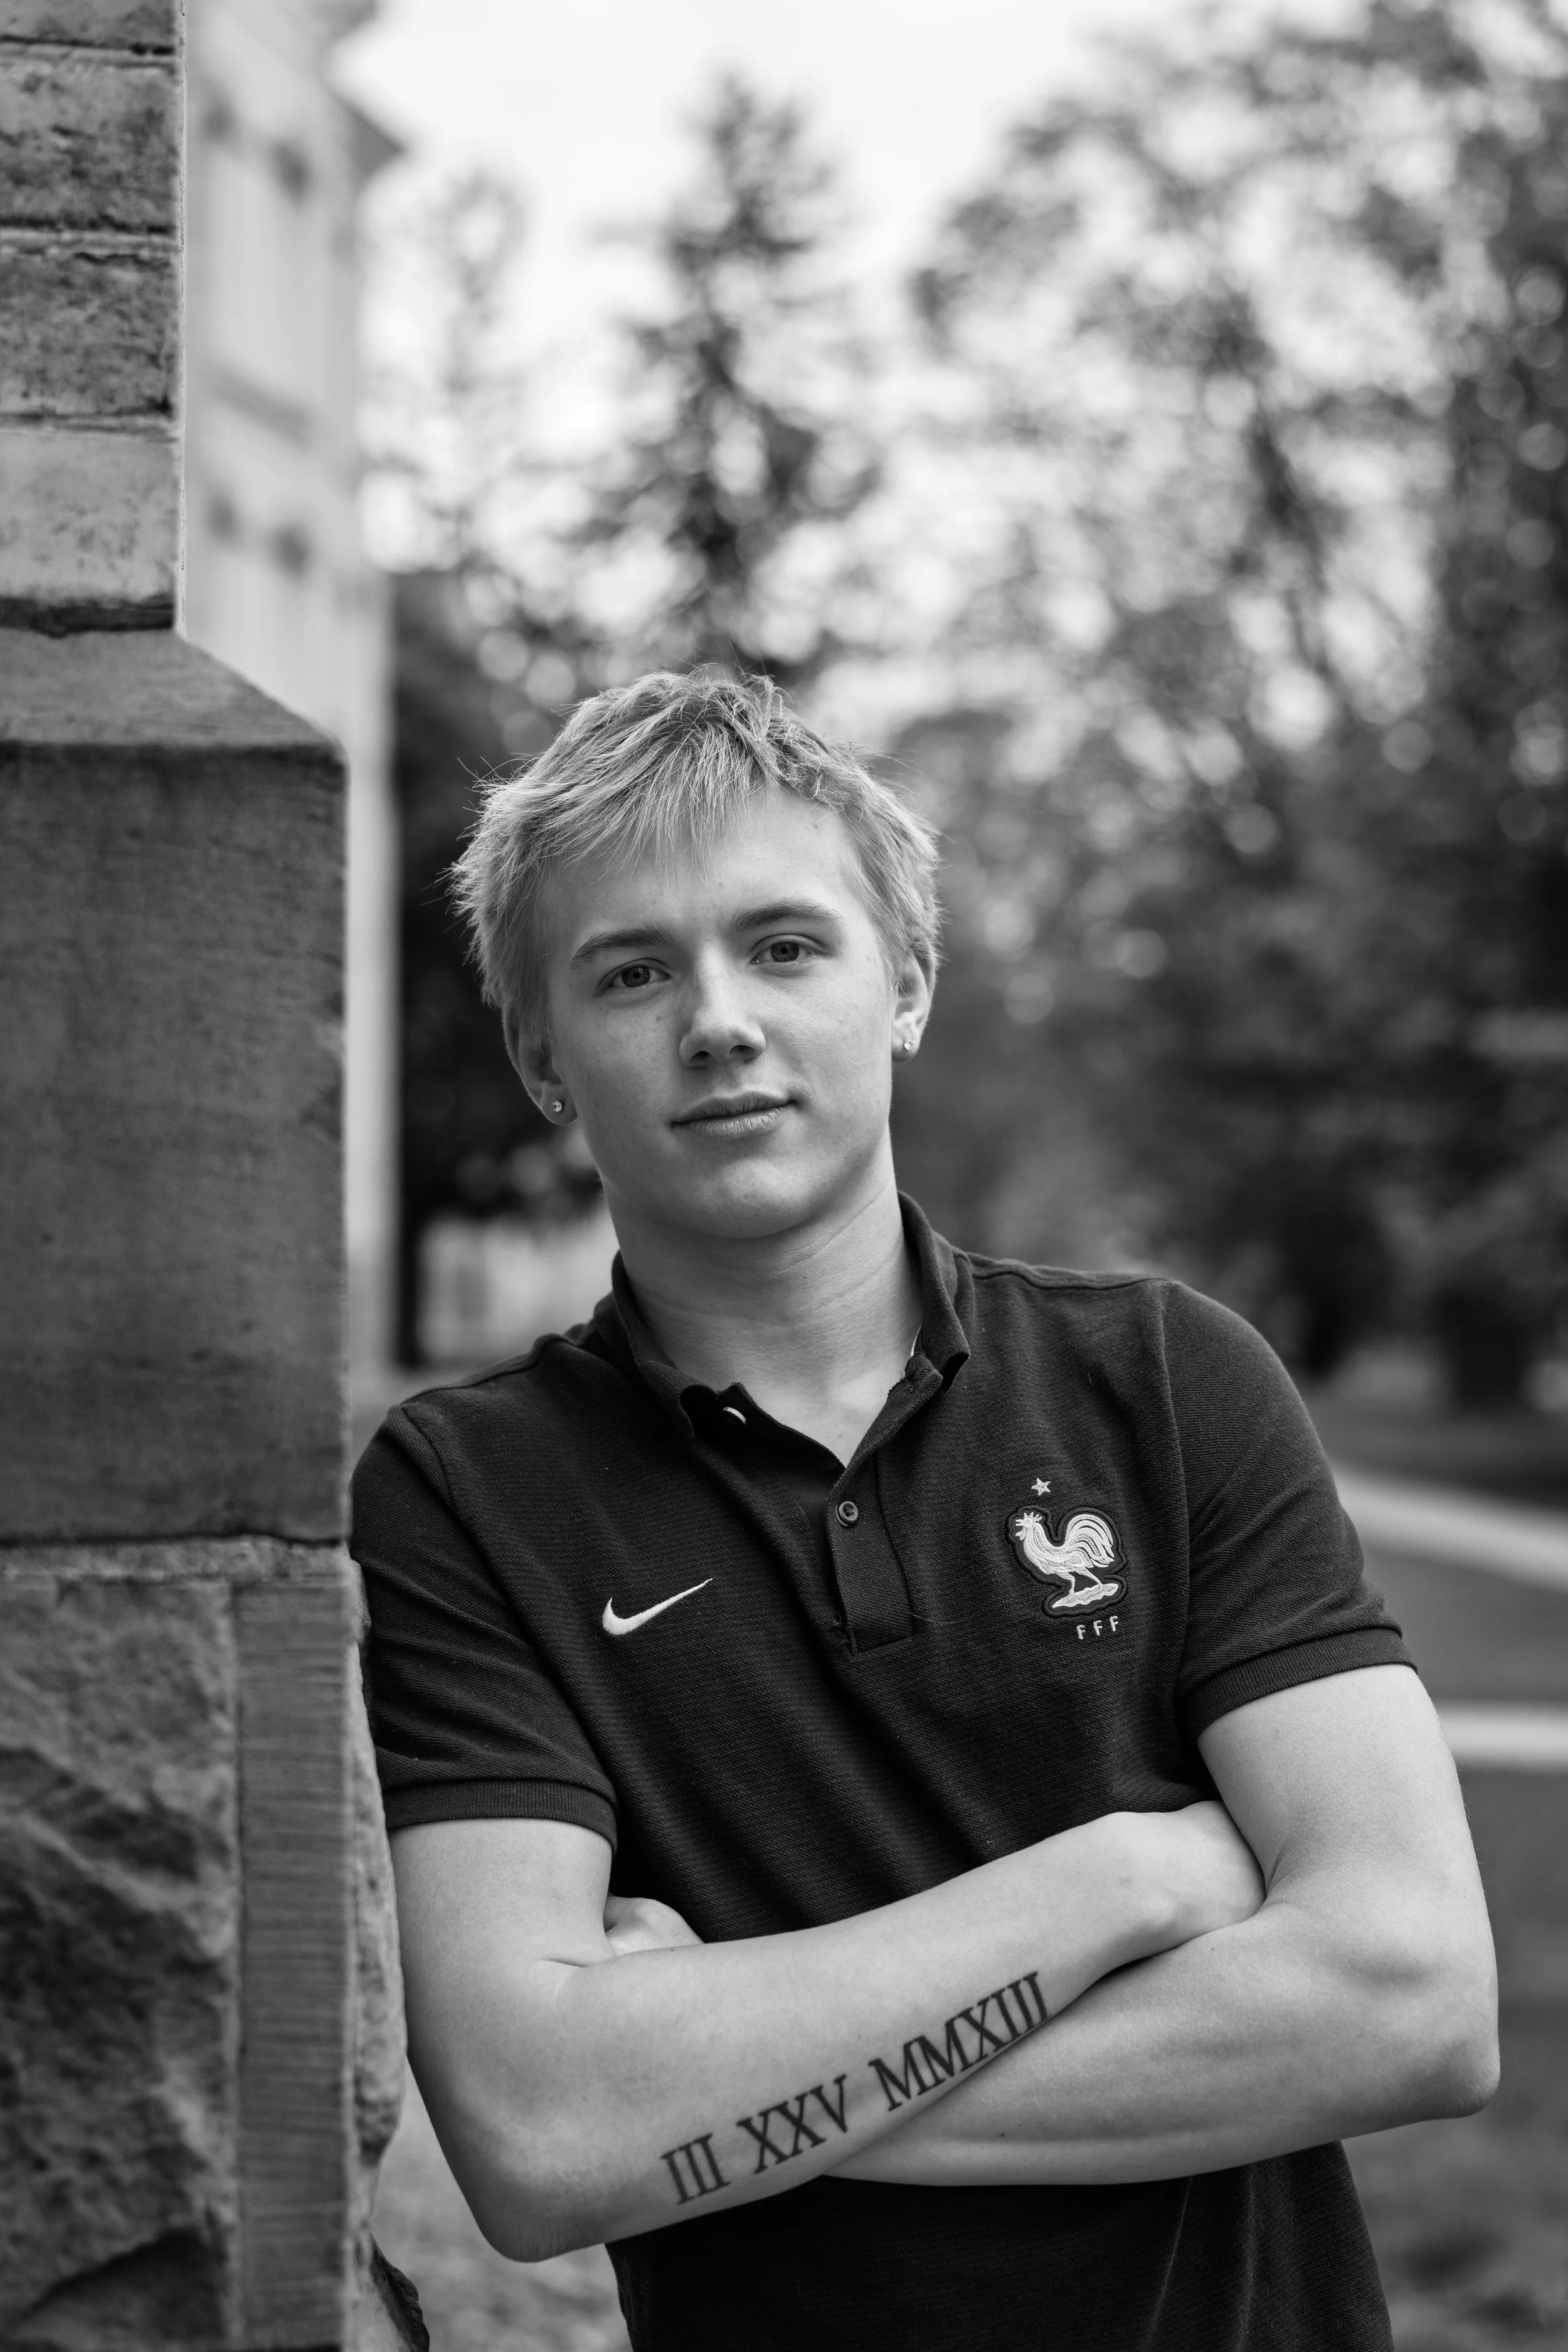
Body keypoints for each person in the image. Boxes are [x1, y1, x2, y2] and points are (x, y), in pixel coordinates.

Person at [354, 669, 1498, 2352]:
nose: (718, 1018)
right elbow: (541, 2136)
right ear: (541, 1052)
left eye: (785, 943)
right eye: (631, 969)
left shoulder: (1169, 1379)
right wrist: (1120, 1880)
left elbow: (1412, 2000)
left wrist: (700, 2098)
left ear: (905, 980)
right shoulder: (465, 1492)